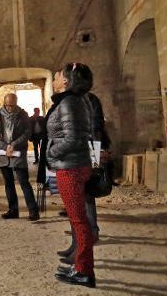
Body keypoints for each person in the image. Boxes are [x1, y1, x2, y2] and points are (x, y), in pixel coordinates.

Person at [47, 62, 96, 288]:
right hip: (74, 164)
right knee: (78, 219)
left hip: (70, 168)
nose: (55, 78)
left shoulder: (69, 102)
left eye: (57, 75)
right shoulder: (76, 100)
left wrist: (50, 152)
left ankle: (84, 271)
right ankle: (79, 264)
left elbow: (73, 138)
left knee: (79, 220)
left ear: (65, 81)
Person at [58, 91, 110, 263]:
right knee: (76, 200)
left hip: (86, 153)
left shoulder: (89, 99)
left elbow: (95, 128)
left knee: (85, 197)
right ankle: (77, 243)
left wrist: (95, 159)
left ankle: (87, 238)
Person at [0, 93, 40, 221]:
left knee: (24, 182)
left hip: (18, 152)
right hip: (3, 153)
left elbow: (27, 132)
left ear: (16, 103)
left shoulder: (23, 115)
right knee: (8, 183)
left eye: (12, 105)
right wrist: (4, 146)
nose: (9, 108)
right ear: (4, 103)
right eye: (7, 105)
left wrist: (14, 144)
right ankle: (13, 210)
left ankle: (33, 211)